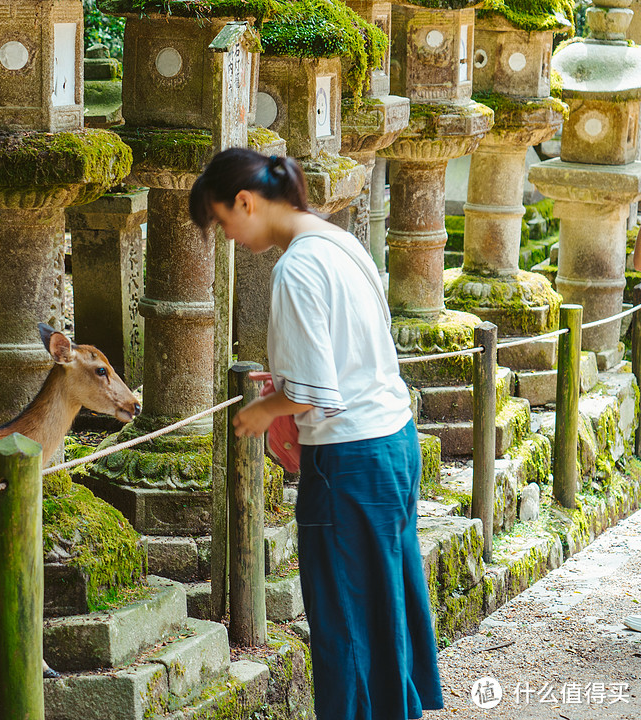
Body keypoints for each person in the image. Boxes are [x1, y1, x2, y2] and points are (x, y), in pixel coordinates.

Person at [189, 148, 444, 720]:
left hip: (349, 458)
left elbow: (312, 394)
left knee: (344, 616)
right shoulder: (338, 242)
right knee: (386, 605)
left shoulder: (297, 266)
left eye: (225, 223)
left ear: (246, 202)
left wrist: (260, 411)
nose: (230, 237)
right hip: (393, 440)